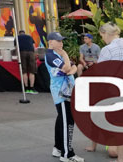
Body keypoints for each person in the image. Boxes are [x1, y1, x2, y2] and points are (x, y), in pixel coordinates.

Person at [90, 22, 123, 162]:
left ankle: (121, 160)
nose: (102, 39)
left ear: (106, 33)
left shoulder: (106, 50)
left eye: (102, 35)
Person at [45, 32, 84, 162]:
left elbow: (72, 68)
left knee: (62, 120)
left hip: (66, 92)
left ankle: (58, 148)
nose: (61, 43)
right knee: (67, 121)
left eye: (61, 40)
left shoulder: (57, 55)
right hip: (61, 93)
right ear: (50, 42)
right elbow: (68, 67)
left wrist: (68, 69)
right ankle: (67, 154)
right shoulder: (51, 55)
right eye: (58, 41)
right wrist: (65, 56)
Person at [17, 30, 38, 94]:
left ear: (19, 33)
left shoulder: (17, 37)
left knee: (24, 71)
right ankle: (32, 88)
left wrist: (17, 56)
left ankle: (26, 88)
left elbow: (16, 47)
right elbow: (34, 47)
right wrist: (35, 54)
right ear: (24, 33)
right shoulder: (29, 37)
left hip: (22, 53)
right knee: (32, 71)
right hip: (31, 53)